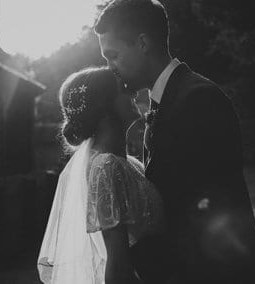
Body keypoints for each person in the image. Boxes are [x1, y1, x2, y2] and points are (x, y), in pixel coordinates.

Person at [94, 0, 255, 283]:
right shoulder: (166, 101)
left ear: (142, 43)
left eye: (113, 56)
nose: (110, 68)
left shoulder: (198, 99)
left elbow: (208, 213)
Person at [38, 67, 163, 284]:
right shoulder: (106, 168)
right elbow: (118, 270)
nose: (133, 92)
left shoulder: (127, 164)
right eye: (123, 89)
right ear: (105, 107)